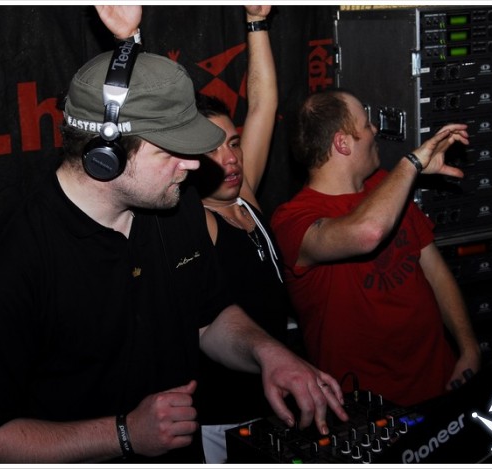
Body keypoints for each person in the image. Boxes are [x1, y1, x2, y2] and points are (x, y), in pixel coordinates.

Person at [0, 6, 348, 464]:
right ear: (106, 156)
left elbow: (210, 316)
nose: (193, 164)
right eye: (171, 151)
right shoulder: (13, 264)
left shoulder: (175, 208)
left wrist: (269, 353)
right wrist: (124, 434)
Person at [270, 89, 482, 408]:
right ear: (343, 143)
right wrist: (411, 164)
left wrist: (468, 347)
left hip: (440, 382)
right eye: (367, 125)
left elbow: (435, 272)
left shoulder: (385, 186)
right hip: (370, 407)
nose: (376, 130)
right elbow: (368, 232)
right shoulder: (292, 219)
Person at [190, 6, 296, 464]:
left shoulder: (242, 196)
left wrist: (256, 21)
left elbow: (264, 105)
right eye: (212, 150)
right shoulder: (194, 220)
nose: (231, 158)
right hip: (221, 416)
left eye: (232, 143)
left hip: (272, 399)